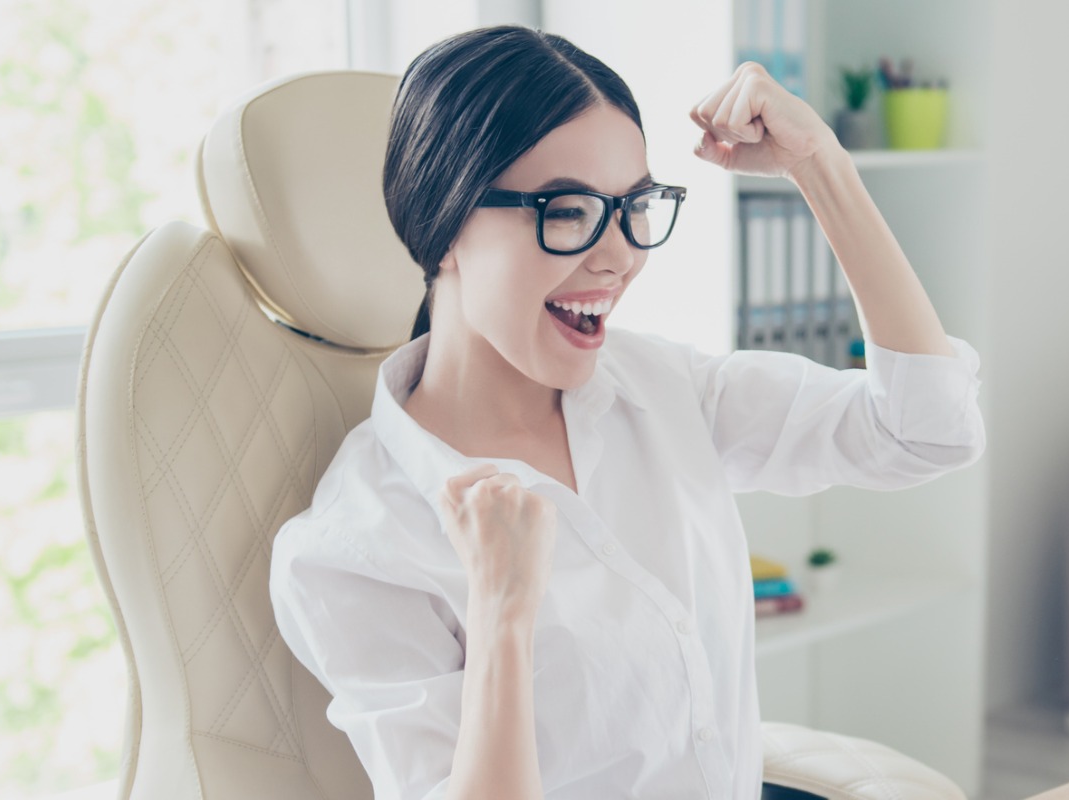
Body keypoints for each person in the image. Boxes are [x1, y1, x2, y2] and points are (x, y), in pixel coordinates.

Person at [267, 24, 986, 800]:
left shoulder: (656, 386)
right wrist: (502, 609)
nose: (618, 257)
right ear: (444, 229)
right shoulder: (356, 548)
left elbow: (923, 433)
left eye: (634, 206)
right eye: (569, 210)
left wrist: (821, 169)